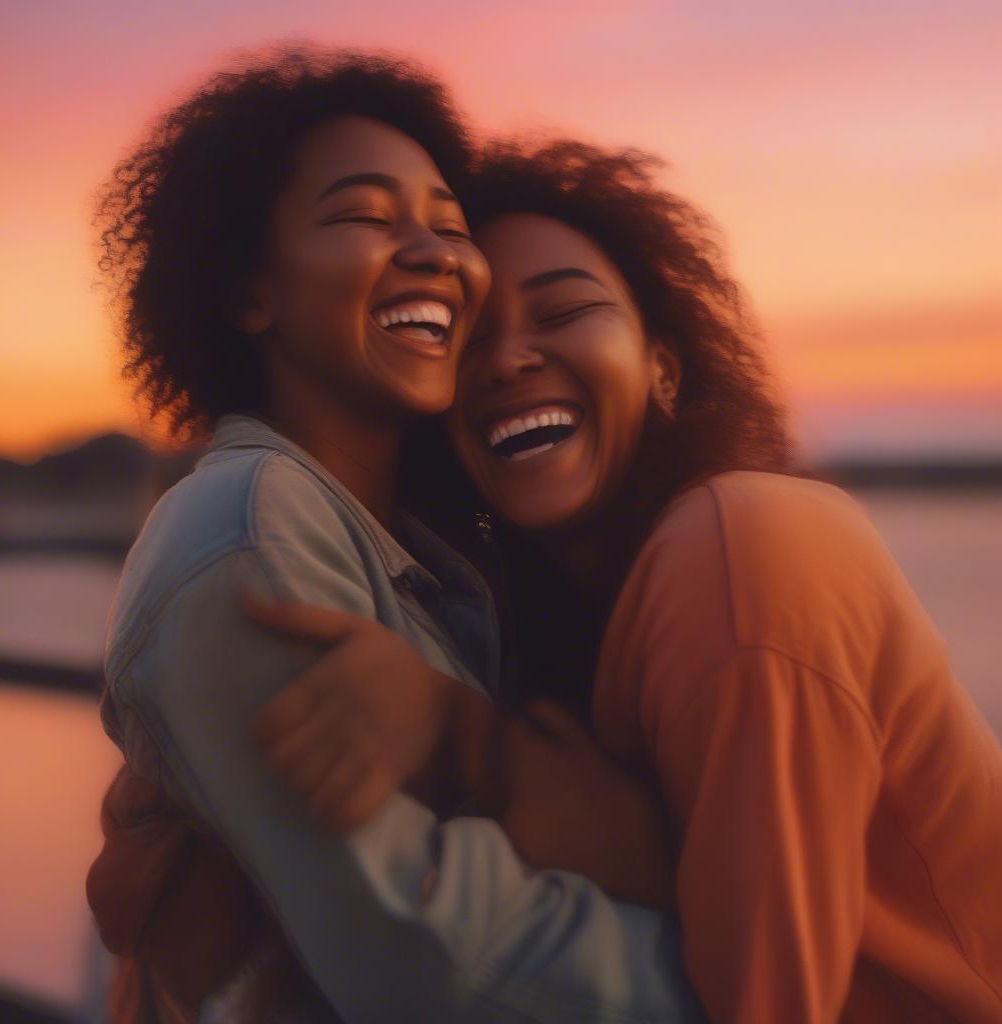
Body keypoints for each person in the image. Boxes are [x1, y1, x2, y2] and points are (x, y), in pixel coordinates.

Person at [247, 142, 1002, 1021]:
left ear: (664, 367)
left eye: (564, 310)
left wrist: (469, 744)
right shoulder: (553, 620)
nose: (506, 360)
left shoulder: (744, 545)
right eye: (470, 340)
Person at [88, 45, 701, 1024]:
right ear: (249, 290)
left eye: (451, 227)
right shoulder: (249, 534)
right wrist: (751, 969)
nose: (436, 254)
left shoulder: (430, 551)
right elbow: (443, 966)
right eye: (368, 216)